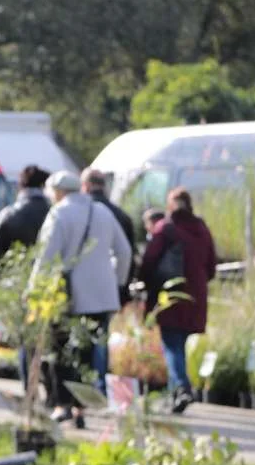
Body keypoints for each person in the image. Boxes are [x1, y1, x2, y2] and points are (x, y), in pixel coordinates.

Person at [31, 171, 133, 428]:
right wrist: (118, 283)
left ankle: (62, 404)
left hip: (67, 295)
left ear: (58, 191)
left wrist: (34, 289)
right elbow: (125, 252)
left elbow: (46, 257)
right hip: (101, 295)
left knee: (61, 351)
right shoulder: (103, 212)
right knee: (88, 353)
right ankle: (81, 408)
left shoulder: (59, 213)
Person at [139, 188, 217, 414]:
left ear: (171, 205)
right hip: (195, 294)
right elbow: (211, 264)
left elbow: (150, 260)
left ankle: (181, 387)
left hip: (171, 293)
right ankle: (176, 396)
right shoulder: (201, 229)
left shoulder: (166, 228)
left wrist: (143, 281)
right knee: (178, 343)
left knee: (171, 343)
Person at [81, 169, 136, 306]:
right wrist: (121, 285)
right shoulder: (122, 216)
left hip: (81, 287)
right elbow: (127, 254)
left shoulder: (77, 213)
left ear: (85, 185)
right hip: (111, 286)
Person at [0, 165, 51, 262]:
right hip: (46, 274)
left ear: (21, 185)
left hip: (12, 272)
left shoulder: (8, 214)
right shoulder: (54, 214)